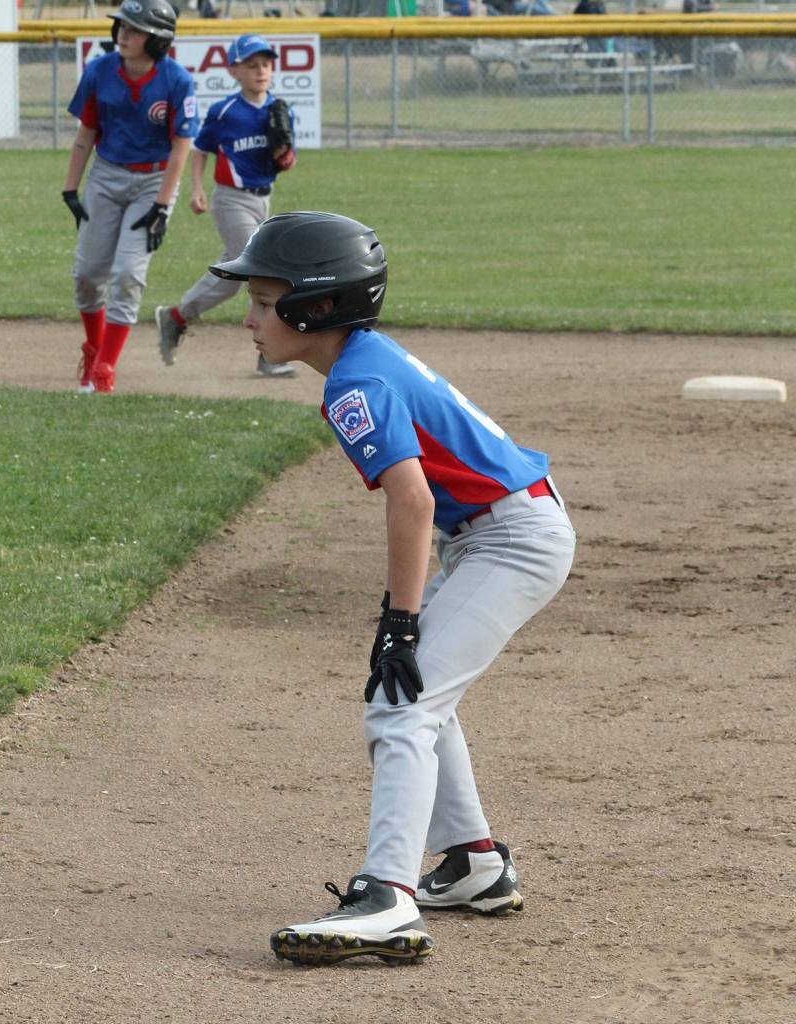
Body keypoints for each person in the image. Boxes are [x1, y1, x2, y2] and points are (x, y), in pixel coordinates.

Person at [209, 212, 577, 966]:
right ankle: (474, 864)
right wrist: (404, 629)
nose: (248, 318)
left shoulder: (355, 384)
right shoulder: (364, 360)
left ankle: (388, 899)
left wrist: (399, 619)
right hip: (504, 531)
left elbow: (411, 500)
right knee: (419, 693)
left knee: (400, 703)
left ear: (317, 308)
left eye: (263, 300)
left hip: (510, 540)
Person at [63, 0, 197, 395]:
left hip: (153, 182)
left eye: (135, 29)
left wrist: (161, 205)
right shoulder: (99, 71)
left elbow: (180, 147)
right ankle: (93, 347)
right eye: (121, 26)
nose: (123, 34)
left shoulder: (176, 80)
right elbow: (85, 134)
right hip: (105, 176)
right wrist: (70, 189)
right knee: (87, 275)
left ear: (157, 40)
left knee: (127, 275)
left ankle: (104, 368)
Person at [154, 34, 298, 379]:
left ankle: (175, 317)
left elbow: (287, 162)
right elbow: (201, 148)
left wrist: (284, 155)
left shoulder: (281, 110)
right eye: (251, 65)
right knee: (263, 268)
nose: (260, 71)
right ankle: (271, 355)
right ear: (234, 70)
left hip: (263, 199)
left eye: (265, 64)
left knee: (231, 277)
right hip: (230, 200)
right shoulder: (225, 112)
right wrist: (196, 189)